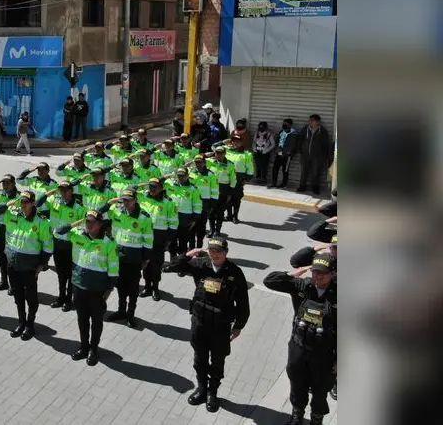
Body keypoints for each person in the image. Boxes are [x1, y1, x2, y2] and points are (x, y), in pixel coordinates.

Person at [163, 236, 251, 414]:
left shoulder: (234, 272)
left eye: (218, 252)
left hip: (221, 326)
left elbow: (243, 303)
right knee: (200, 358)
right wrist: (188, 255)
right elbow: (171, 267)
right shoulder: (200, 264)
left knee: (218, 361)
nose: (215, 255)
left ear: (226, 253)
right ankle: (201, 388)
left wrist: (239, 326)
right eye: (212, 251)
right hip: (200, 322)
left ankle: (213, 392)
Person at [263, 252, 337, 425]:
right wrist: (296, 272)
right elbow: (270, 280)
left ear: (332, 273)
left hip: (324, 353)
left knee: (320, 389)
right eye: (314, 272)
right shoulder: (304, 286)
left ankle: (316, 420)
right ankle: (297, 416)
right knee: (297, 383)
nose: (317, 276)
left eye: (322, 273)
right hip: (299, 347)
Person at [55, 210, 118, 366]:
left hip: (98, 291)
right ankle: (84, 346)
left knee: (96, 322)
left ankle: (93, 349)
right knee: (82, 320)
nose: (89, 225)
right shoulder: (77, 235)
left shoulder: (108, 243)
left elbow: (114, 270)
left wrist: (108, 292)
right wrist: (76, 223)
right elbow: (57, 232)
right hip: (79, 287)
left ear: (100, 224)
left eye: (92, 222)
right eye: (87, 222)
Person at [0, 190, 53, 340]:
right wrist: (8, 203)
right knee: (18, 295)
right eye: (21, 201)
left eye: (26, 202)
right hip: (13, 264)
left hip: (30, 267)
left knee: (31, 298)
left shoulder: (42, 222)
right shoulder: (11, 215)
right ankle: (21, 322)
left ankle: (30, 325)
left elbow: (48, 247)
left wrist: (41, 265)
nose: (22, 205)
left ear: (33, 203)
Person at [105, 187, 152, 327]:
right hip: (118, 256)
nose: (125, 203)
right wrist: (110, 202)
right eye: (123, 200)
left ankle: (130, 315)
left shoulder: (144, 217)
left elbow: (148, 240)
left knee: (132, 288)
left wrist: (146, 259)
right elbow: (99, 213)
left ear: (135, 200)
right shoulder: (116, 211)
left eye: (128, 200)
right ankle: (121, 311)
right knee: (120, 285)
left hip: (134, 257)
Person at [45, 181, 87, 312]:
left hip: (71, 245)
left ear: (71, 191)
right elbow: (39, 202)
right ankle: (61, 297)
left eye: (65, 190)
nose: (62, 192)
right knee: (60, 274)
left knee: (70, 274)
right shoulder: (54, 201)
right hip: (57, 243)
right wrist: (52, 192)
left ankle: (69, 300)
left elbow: (82, 228)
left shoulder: (79, 208)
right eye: (60, 190)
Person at [138, 177, 179, 301]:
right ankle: (147, 286)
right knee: (146, 262)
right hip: (144, 236)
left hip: (159, 237)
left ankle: (155, 288)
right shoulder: (143, 197)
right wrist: (143, 184)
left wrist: (169, 240)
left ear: (161, 188)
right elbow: (129, 189)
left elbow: (173, 224)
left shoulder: (169, 203)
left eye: (154, 187)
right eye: (150, 186)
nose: (152, 189)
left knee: (156, 264)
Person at [165, 167, 203, 257]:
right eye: (178, 176)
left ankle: (182, 265)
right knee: (172, 242)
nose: (180, 178)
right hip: (171, 218)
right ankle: (173, 262)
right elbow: (155, 182)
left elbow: (197, 205)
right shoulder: (169, 184)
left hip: (185, 219)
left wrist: (194, 220)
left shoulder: (193, 189)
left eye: (182, 176)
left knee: (183, 242)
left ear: (187, 176)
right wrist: (166, 177)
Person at [222, 131, 255, 223]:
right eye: (233, 141)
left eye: (238, 141)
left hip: (238, 180)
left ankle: (235, 217)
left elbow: (250, 169)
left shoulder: (246, 154)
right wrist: (225, 141)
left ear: (241, 142)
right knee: (227, 199)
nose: (235, 143)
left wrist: (246, 179)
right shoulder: (227, 150)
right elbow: (214, 146)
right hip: (227, 179)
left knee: (236, 199)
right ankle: (229, 216)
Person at [297, 114, 333, 195]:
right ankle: (302, 186)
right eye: (310, 120)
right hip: (305, 155)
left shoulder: (323, 131)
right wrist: (300, 150)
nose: (309, 122)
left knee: (316, 172)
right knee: (304, 171)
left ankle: (315, 188)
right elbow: (300, 140)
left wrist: (326, 156)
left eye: (312, 120)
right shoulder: (305, 129)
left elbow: (326, 144)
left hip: (317, 157)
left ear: (317, 122)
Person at [206, 146, 237, 237]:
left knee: (220, 212)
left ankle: (217, 230)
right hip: (211, 190)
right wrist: (207, 154)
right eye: (217, 153)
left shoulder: (230, 165)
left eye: (221, 153)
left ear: (224, 153)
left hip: (224, 190)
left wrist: (230, 193)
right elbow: (198, 158)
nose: (218, 155)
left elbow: (233, 179)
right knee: (211, 211)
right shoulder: (210, 162)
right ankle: (212, 230)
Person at [189, 155, 218, 249]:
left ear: (204, 163)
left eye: (200, 162)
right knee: (191, 228)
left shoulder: (211, 175)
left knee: (201, 229)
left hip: (204, 205)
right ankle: (192, 248)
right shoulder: (191, 173)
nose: (198, 164)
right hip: (192, 204)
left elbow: (215, 192)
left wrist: (212, 206)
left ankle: (199, 247)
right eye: (196, 162)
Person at [270, 118, 297, 188]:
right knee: (275, 169)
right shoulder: (281, 132)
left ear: (290, 125)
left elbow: (292, 145)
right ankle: (274, 183)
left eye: (286, 124)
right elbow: (277, 141)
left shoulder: (293, 134)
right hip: (278, 154)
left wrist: (283, 150)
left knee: (285, 170)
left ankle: (284, 184)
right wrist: (277, 149)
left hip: (287, 155)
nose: (284, 125)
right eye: (283, 123)